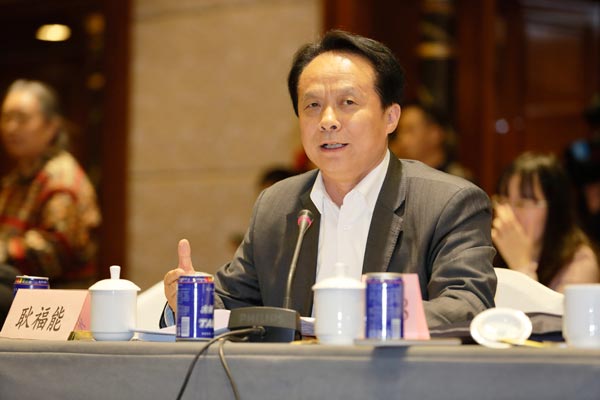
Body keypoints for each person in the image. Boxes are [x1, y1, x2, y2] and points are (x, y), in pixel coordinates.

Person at [163, 30, 496, 329]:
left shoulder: (447, 203)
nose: (328, 120)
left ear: (390, 117)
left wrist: (363, 318)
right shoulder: (277, 206)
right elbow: (231, 301)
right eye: (312, 105)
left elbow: (466, 305)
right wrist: (189, 301)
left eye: (348, 102)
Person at [0, 80, 101, 323]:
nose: (11, 127)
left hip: (59, 311)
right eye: (7, 117)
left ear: (51, 126)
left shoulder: (62, 177)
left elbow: (56, 251)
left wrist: (5, 250)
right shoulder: (17, 178)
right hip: (23, 301)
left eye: (22, 118)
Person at [492, 152, 599, 293]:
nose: (509, 213)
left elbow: (546, 310)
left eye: (523, 203)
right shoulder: (489, 251)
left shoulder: (580, 261)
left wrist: (521, 265)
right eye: (503, 201)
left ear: (555, 208)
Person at [389, 101, 474, 181]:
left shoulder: (456, 179)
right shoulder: (401, 177)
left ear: (434, 134)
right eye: (400, 131)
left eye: (410, 130)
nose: (401, 138)